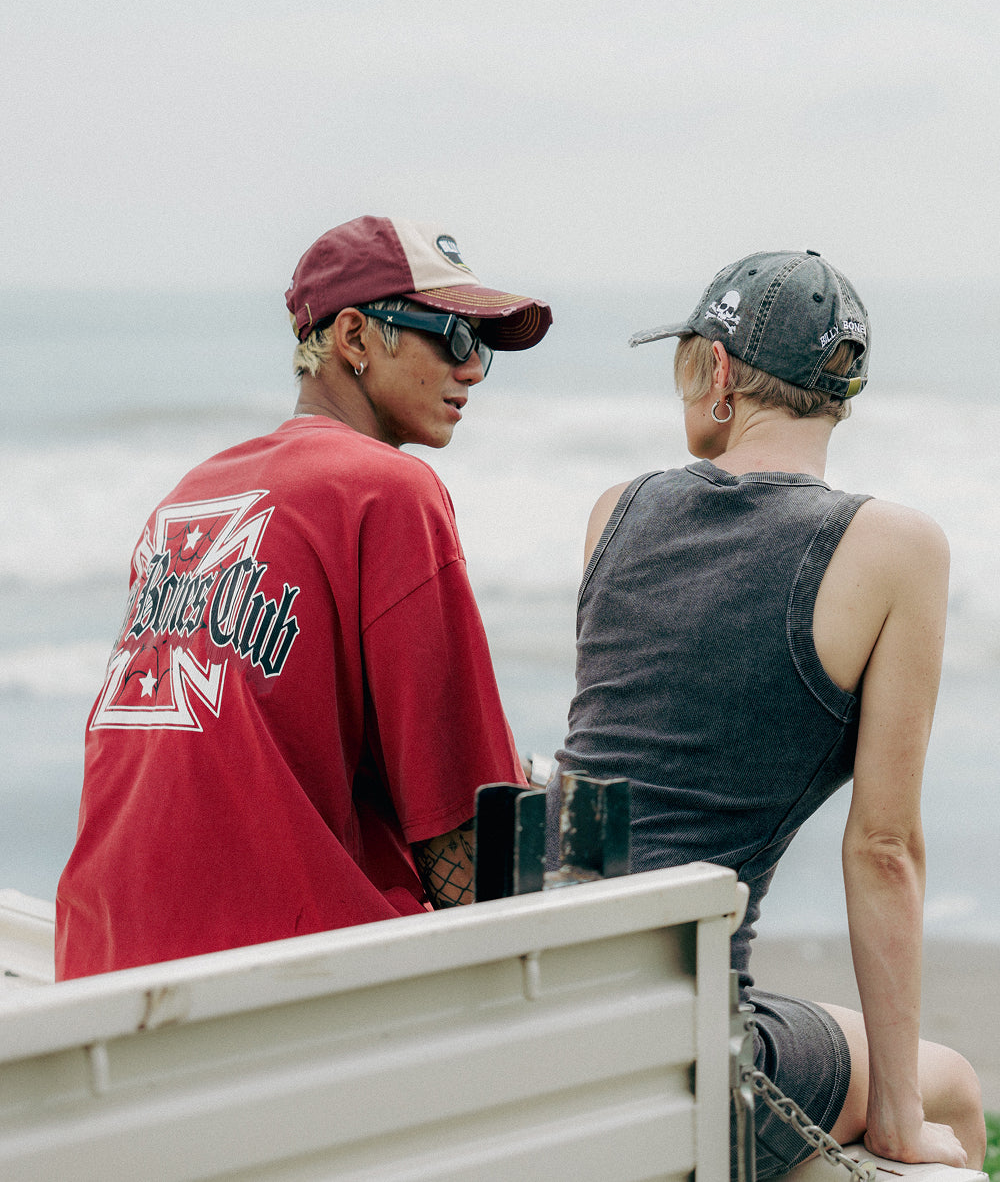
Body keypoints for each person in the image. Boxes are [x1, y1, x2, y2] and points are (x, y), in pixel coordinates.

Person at [546, 251, 985, 1176]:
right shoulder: (895, 549)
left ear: (717, 369)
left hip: (555, 999)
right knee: (954, 1086)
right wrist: (901, 1119)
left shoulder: (613, 511)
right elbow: (885, 850)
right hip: (692, 1042)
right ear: (842, 394)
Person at [56, 215, 552, 980]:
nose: (475, 370)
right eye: (454, 338)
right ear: (354, 337)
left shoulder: (189, 498)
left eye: (481, 347)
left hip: (99, 956)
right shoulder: (389, 491)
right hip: (279, 979)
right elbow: (465, 854)